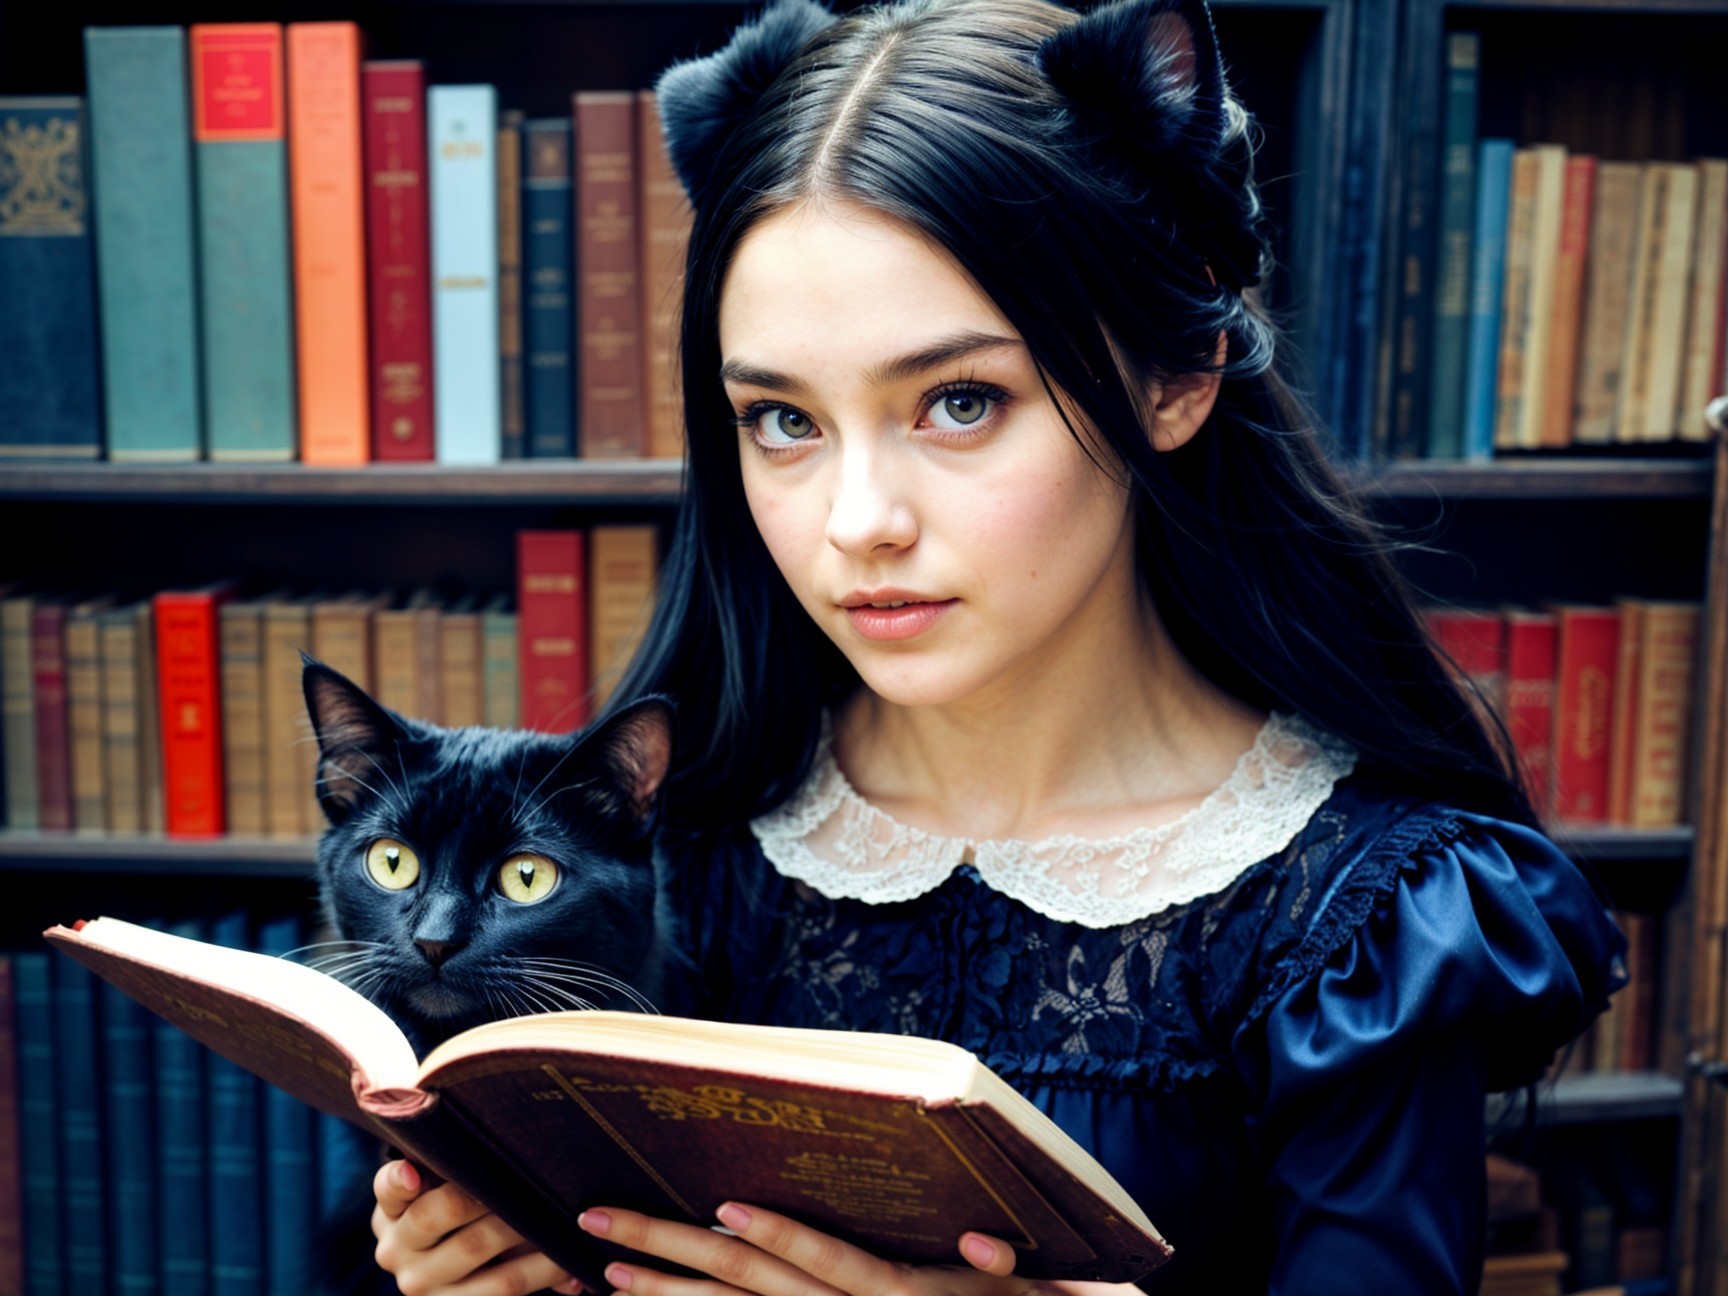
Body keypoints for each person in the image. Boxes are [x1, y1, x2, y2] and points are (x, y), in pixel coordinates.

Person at [369, 0, 1625, 1291]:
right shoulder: (680, 842)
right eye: (782, 421)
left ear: (1178, 376)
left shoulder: (1356, 920)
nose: (858, 523)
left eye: (960, 403)